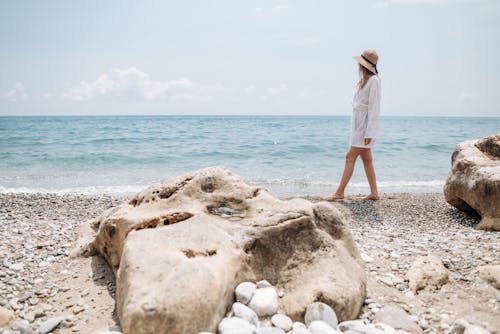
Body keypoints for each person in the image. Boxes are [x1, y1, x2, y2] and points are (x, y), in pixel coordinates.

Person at [325, 49, 381, 201]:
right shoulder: (364, 81)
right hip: (358, 123)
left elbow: (374, 108)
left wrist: (370, 132)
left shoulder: (374, 81)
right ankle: (374, 193)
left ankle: (339, 192)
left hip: (365, 126)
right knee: (367, 159)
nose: (358, 66)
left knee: (350, 157)